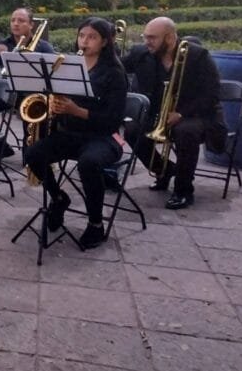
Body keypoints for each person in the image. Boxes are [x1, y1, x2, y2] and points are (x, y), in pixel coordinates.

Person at [24, 17, 128, 249]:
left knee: (88, 164)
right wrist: (57, 108)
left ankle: (95, 223)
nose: (84, 41)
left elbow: (113, 120)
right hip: (71, 133)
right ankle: (59, 198)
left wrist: (77, 111)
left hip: (103, 137)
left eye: (92, 37)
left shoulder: (114, 73)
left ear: (104, 42)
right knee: (32, 154)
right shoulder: (66, 66)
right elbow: (64, 104)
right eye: (82, 36)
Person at [122, 17, 225, 210]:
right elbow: (117, 67)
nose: (147, 42)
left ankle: (183, 190)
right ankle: (165, 171)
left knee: (185, 131)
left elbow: (212, 94)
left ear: (169, 38)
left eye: (152, 38)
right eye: (146, 37)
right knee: (131, 129)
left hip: (196, 115)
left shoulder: (198, 56)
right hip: (157, 114)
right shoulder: (142, 54)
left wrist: (181, 114)